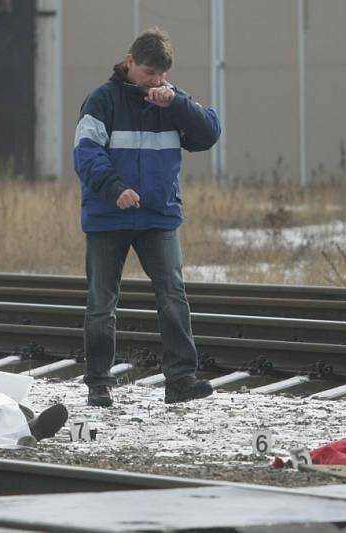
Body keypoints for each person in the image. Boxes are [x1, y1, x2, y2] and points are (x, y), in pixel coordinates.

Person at [73, 27, 221, 407]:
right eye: (147, 72)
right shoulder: (101, 101)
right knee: (102, 303)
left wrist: (176, 104)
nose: (153, 81)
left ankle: (181, 380)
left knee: (173, 296)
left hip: (158, 217)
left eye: (160, 75)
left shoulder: (172, 102)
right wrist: (114, 189)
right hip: (109, 216)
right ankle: (99, 383)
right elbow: (86, 154)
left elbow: (207, 135)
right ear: (129, 62)